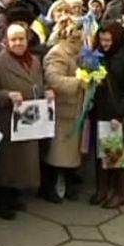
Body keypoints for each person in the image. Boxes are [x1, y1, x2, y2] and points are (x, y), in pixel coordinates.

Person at [0, 24, 53, 220]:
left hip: (30, 120)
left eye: (21, 39)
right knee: (6, 163)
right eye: (13, 39)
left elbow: (39, 83)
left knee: (22, 162)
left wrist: (46, 90)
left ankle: (13, 194)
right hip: (6, 120)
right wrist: (6, 95)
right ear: (6, 41)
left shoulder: (35, 61)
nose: (18, 43)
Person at [42, 21, 84, 202]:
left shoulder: (79, 52)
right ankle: (50, 187)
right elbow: (53, 79)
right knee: (57, 152)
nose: (77, 38)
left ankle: (67, 183)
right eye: (73, 35)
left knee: (70, 152)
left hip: (76, 109)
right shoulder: (58, 53)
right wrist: (78, 82)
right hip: (62, 109)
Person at [90, 22, 124, 208]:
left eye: (108, 40)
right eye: (102, 39)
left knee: (115, 154)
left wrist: (119, 113)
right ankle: (102, 189)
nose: (104, 43)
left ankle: (119, 192)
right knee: (100, 152)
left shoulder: (122, 57)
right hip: (100, 110)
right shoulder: (99, 55)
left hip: (115, 112)